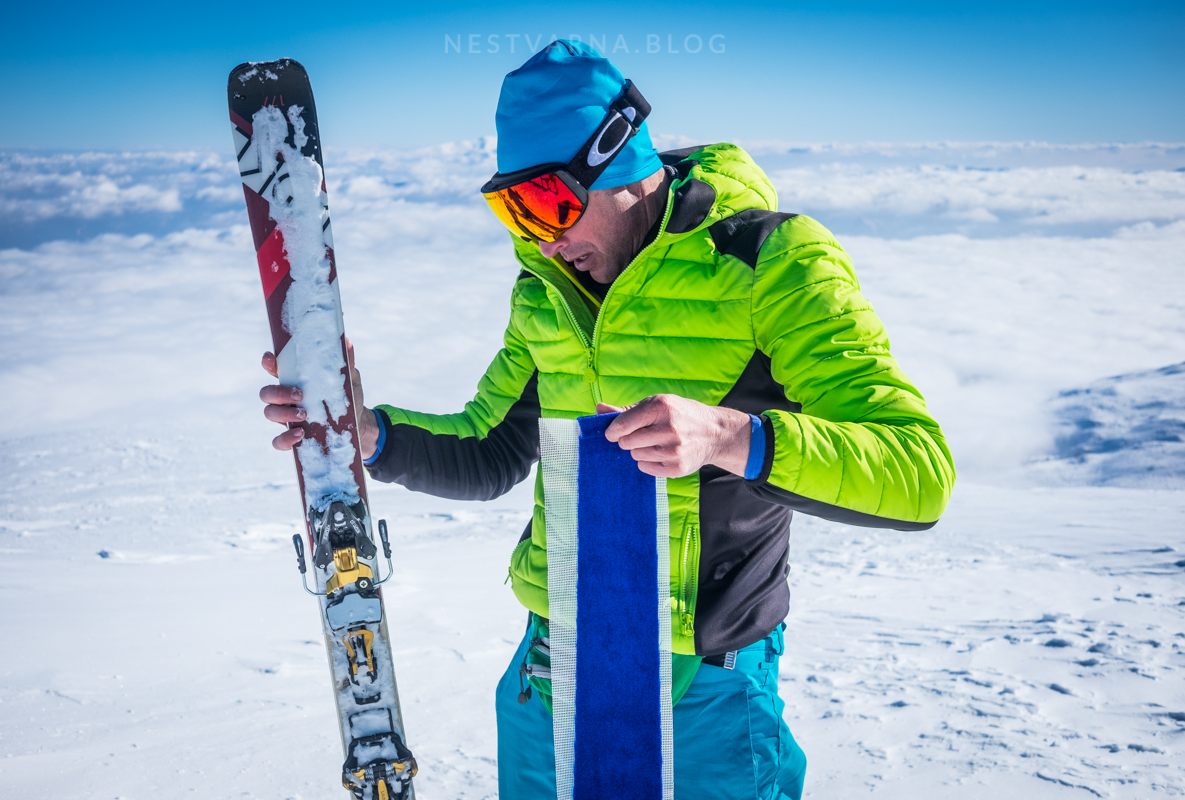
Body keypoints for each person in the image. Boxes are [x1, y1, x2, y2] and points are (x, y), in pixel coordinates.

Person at [260, 40, 954, 800]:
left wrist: (732, 438)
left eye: (549, 202)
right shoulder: (545, 291)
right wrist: (372, 435)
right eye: (513, 211)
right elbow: (491, 447)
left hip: (704, 696)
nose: (541, 237)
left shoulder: (773, 262)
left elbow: (918, 472)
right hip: (550, 671)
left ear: (617, 156)